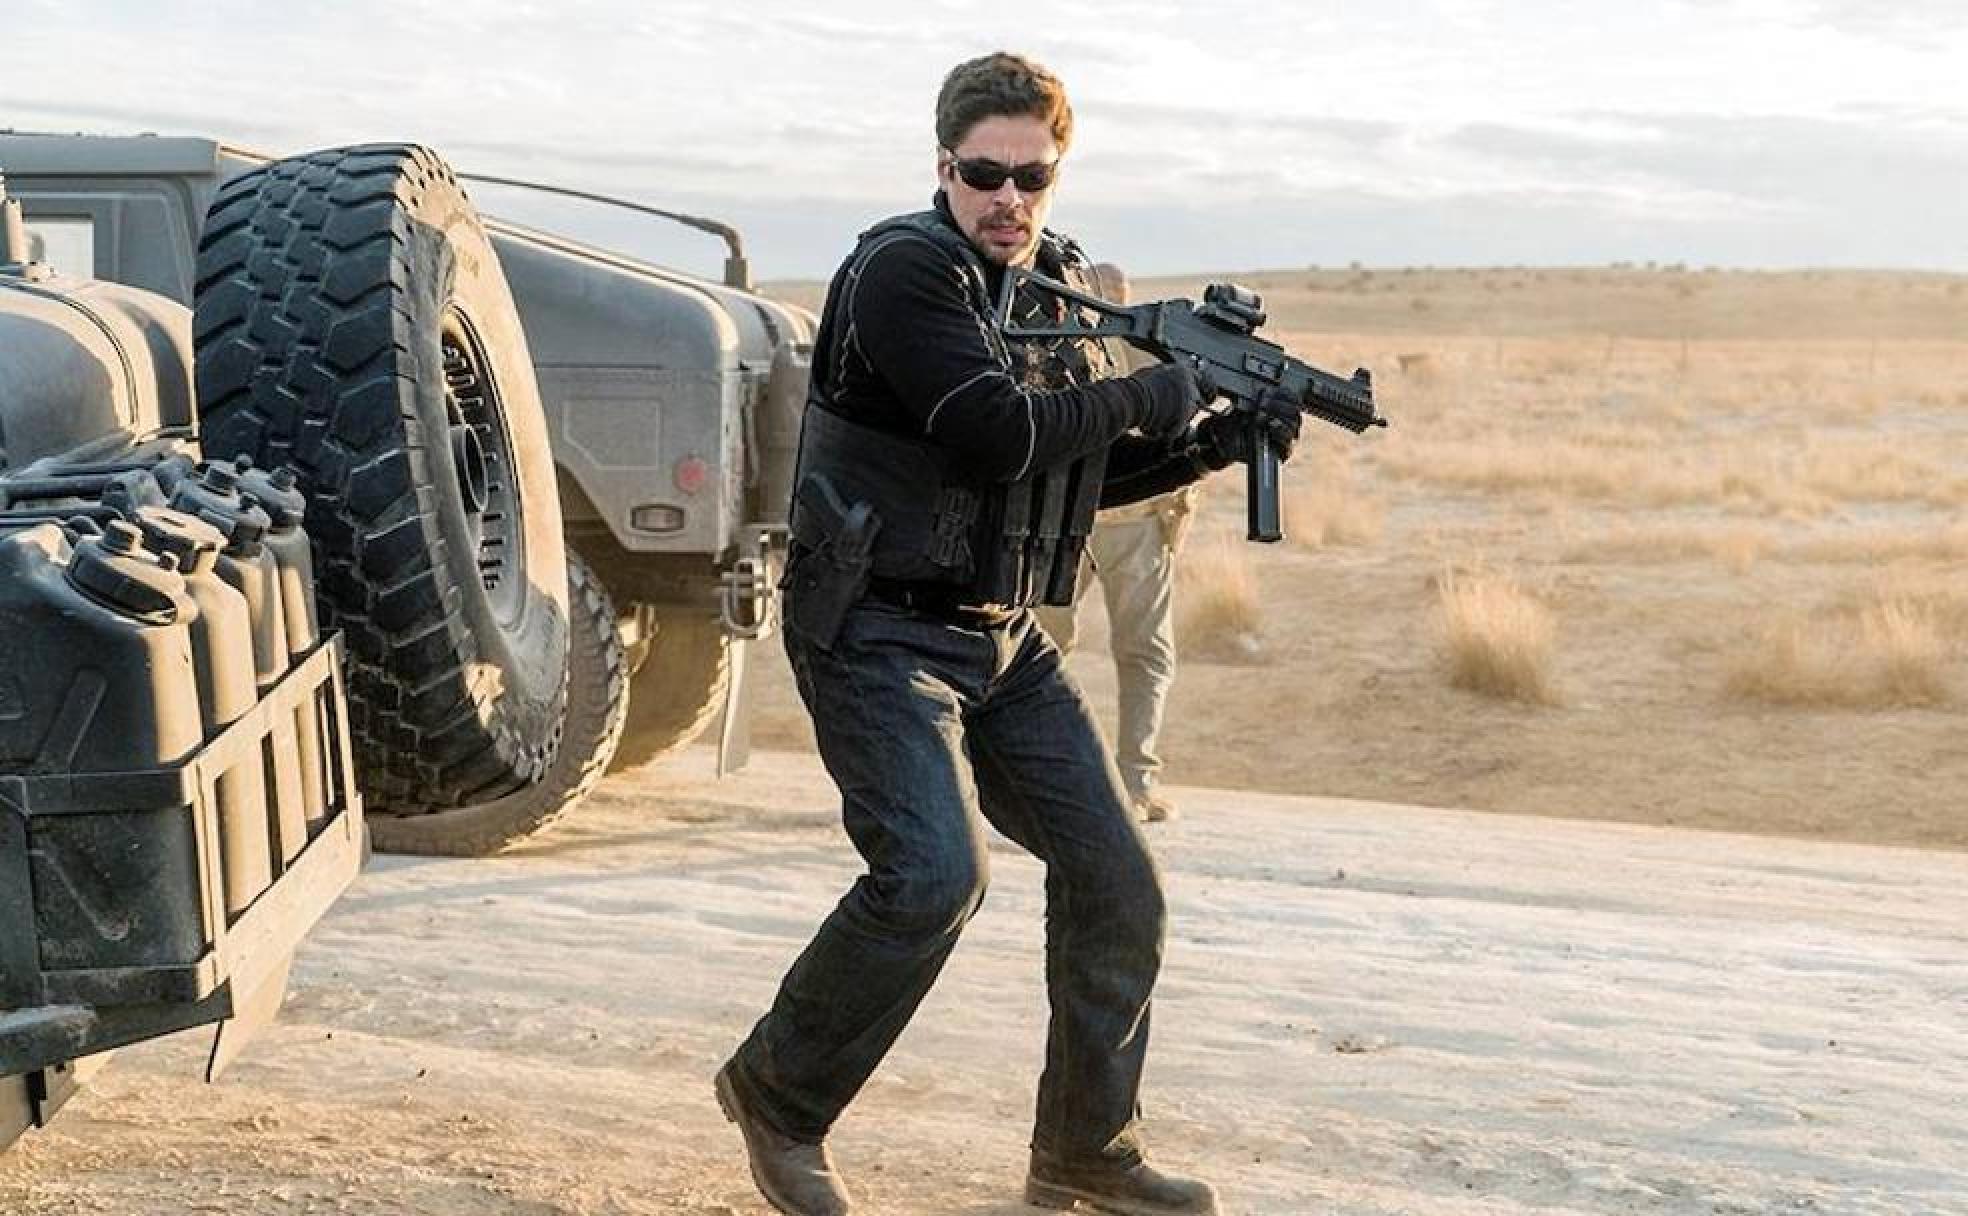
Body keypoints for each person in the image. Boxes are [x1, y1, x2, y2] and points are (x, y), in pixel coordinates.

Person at [714, 51, 1301, 1216]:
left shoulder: (1056, 282)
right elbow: (997, 430)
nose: (1009, 199)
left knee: (1119, 881)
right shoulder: (901, 273)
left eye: (1032, 177)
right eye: (985, 174)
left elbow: (1077, 469)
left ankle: (1086, 1152)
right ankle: (776, 1096)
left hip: (1001, 637)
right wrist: (1167, 387)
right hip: (874, 628)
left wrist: (1210, 442)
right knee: (934, 875)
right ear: (945, 167)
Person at [1035, 262, 1197, 824]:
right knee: (1062, 650)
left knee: (1051, 649)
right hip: (1099, 521)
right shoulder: (1130, 355)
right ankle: (1125, 783)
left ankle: (1108, 780)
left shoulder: (1063, 349)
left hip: (1104, 521)